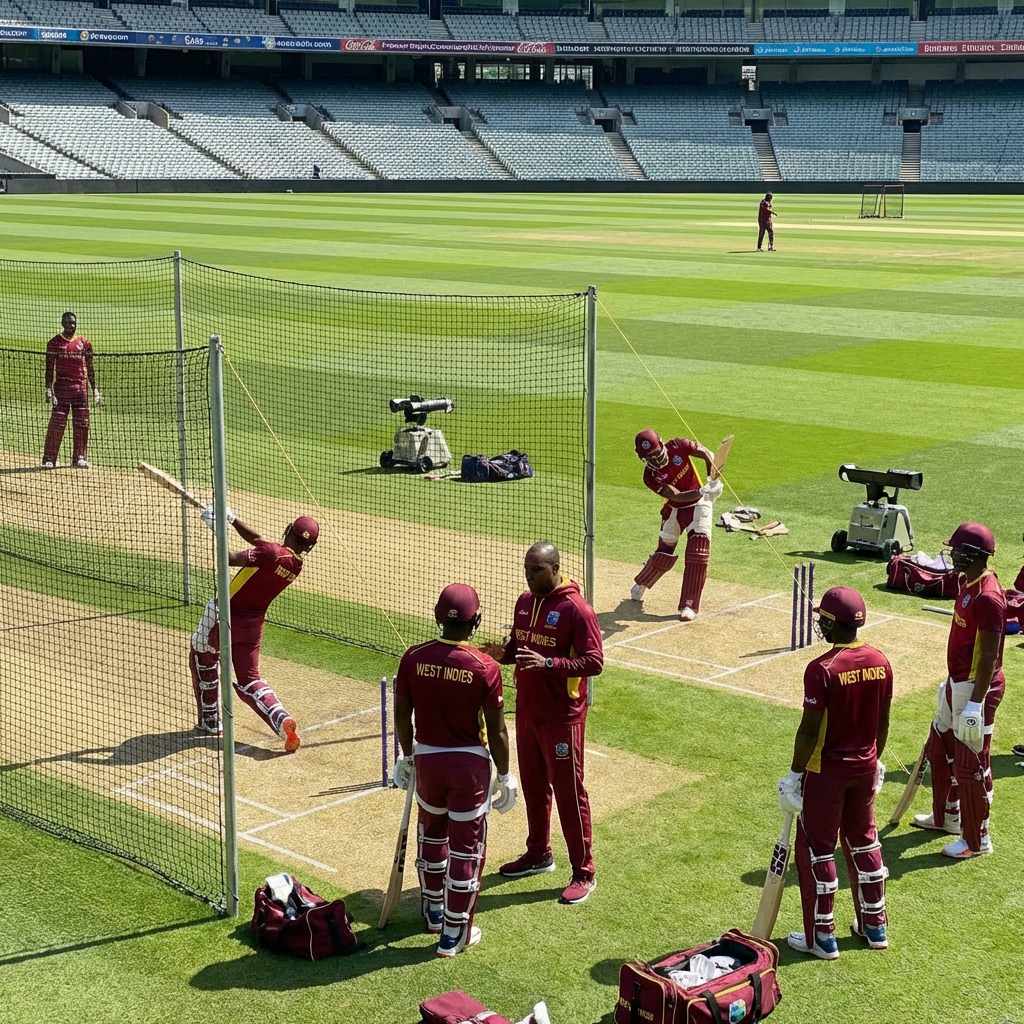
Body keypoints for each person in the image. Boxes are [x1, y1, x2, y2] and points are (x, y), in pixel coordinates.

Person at [393, 583, 515, 957]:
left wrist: (407, 755)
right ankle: (453, 935)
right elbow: (496, 730)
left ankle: (432, 913)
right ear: (475, 620)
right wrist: (507, 775)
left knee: (431, 837)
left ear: (436, 617)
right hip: (468, 769)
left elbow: (402, 717)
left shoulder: (413, 657)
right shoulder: (485, 667)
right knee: (465, 850)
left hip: (427, 763)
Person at [481, 541, 603, 905]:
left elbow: (594, 661)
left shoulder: (576, 610)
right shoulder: (524, 602)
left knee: (569, 792)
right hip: (528, 712)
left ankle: (584, 871)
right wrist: (499, 654)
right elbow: (519, 650)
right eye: (526, 570)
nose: (529, 577)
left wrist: (550, 665)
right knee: (534, 788)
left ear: (555, 568)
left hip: (562, 717)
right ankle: (539, 854)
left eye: (536, 570)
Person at [778, 586, 892, 960]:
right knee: (864, 843)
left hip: (827, 773)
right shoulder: (880, 660)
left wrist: (794, 775)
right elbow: (883, 720)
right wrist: (875, 760)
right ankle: (875, 926)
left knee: (817, 849)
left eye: (822, 620)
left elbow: (809, 730)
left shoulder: (822, 669)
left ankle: (821, 937)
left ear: (831, 622)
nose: (819, 625)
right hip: (864, 768)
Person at [189, 507, 319, 753]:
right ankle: (282, 720)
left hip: (223, 617)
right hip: (252, 627)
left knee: (202, 656)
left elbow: (228, 558)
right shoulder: (293, 564)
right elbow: (261, 542)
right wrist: (232, 519)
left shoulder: (271, 554)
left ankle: (210, 720)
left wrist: (216, 528)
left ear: (289, 530)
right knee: (250, 679)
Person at [911, 522, 1005, 858]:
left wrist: (975, 704)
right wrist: (951, 685)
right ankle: (946, 817)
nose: (951, 554)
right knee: (940, 750)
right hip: (958, 683)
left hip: (977, 689)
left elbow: (990, 656)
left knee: (972, 764)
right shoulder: (968, 582)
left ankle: (978, 841)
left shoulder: (989, 597)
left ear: (973, 555)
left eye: (957, 550)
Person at [629, 430, 722, 622]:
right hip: (675, 507)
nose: (655, 459)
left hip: (699, 505)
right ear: (642, 458)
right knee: (664, 553)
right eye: (649, 457)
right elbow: (676, 495)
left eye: (656, 453)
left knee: (698, 553)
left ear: (661, 444)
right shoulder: (650, 477)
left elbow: (706, 454)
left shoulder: (678, 445)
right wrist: (703, 490)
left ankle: (689, 604)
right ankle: (643, 582)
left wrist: (713, 479)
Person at [42, 311, 101, 469]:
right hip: (62, 387)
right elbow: (49, 369)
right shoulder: (54, 343)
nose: (71, 326)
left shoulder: (84, 343)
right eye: (68, 323)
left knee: (82, 422)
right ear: (62, 324)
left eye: (73, 323)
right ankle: (49, 459)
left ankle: (79, 457)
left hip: (80, 389)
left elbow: (90, 367)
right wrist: (49, 389)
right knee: (57, 422)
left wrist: (94, 389)